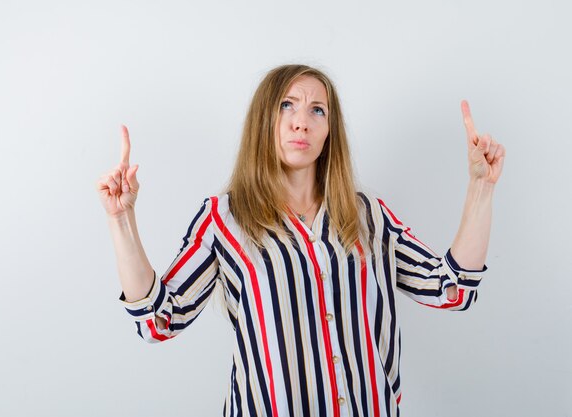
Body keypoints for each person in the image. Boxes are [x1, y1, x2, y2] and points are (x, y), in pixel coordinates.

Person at [96, 64, 505, 417]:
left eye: (317, 110)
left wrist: (480, 188)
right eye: (286, 105)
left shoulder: (369, 216)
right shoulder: (224, 220)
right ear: (264, 121)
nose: (300, 121)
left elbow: (453, 288)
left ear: (329, 130)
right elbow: (158, 321)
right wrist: (121, 220)